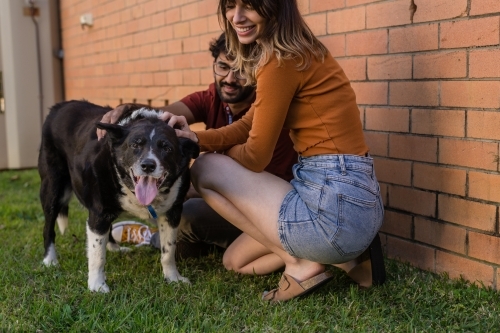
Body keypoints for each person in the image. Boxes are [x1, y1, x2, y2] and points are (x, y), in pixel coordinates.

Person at [161, 0, 386, 303]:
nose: (236, 17)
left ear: (275, 7)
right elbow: (246, 126)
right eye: (230, 5)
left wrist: (213, 156)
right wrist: (194, 138)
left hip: (332, 207)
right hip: (354, 202)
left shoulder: (278, 60)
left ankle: (305, 263)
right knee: (235, 261)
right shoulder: (300, 51)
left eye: (249, 5)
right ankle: (344, 259)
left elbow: (255, 156)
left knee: (204, 169)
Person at [98, 33, 298, 269]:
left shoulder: (266, 104)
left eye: (241, 71)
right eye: (223, 66)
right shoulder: (210, 98)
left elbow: (251, 167)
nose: (230, 79)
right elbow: (164, 115)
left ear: (257, 73)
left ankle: (150, 236)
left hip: (268, 206)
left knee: (184, 216)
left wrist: (191, 187)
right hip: (230, 201)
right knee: (181, 235)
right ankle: (183, 239)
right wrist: (133, 110)